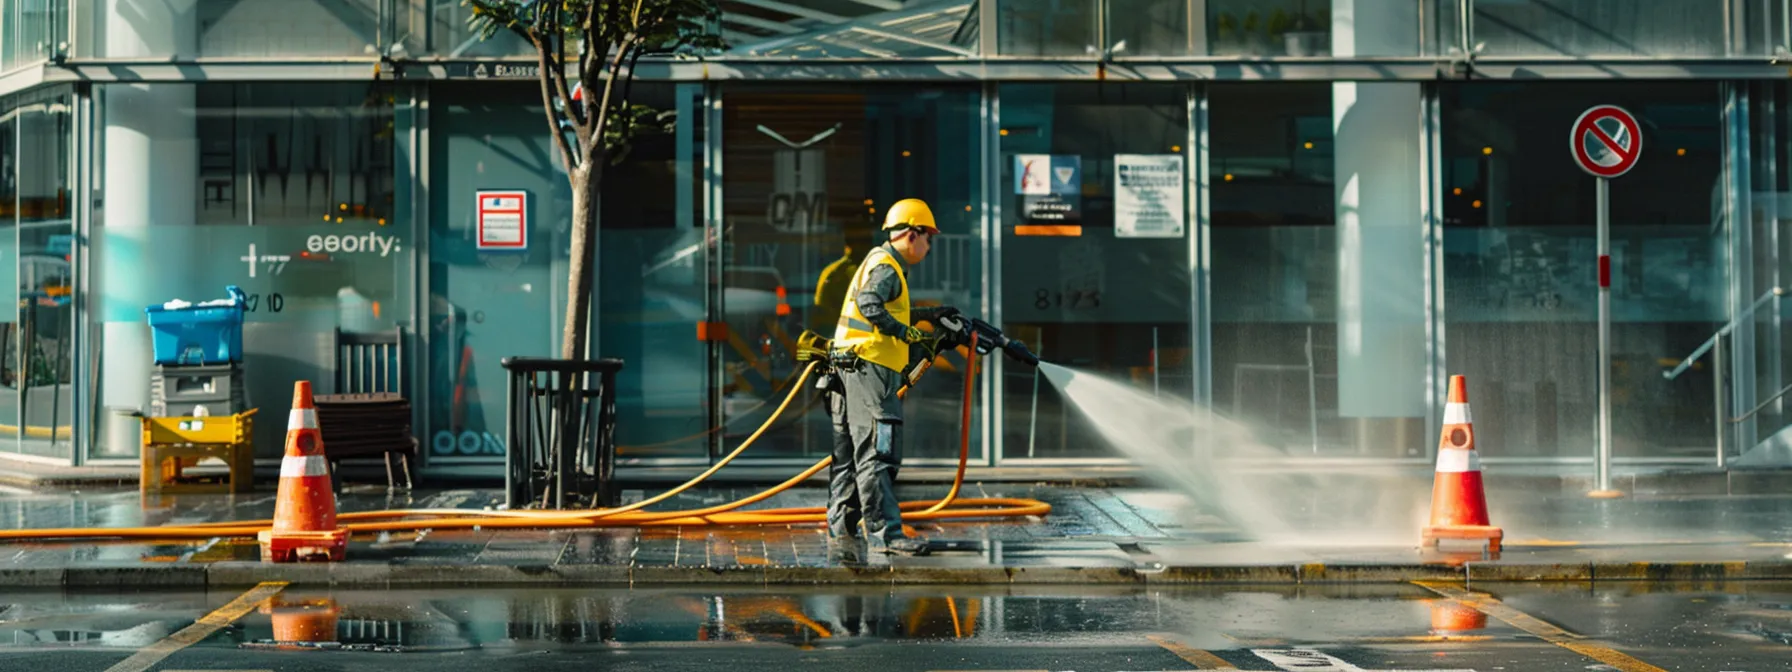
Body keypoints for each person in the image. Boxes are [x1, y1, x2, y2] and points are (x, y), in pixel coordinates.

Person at [825, 198, 960, 556]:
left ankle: (842, 526)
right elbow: (871, 305)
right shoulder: (887, 268)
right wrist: (905, 333)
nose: (928, 246)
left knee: (849, 456)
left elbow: (888, 307)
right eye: (927, 238)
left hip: (848, 367)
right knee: (877, 452)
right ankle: (886, 535)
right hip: (869, 372)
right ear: (912, 234)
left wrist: (929, 314)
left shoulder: (878, 260)